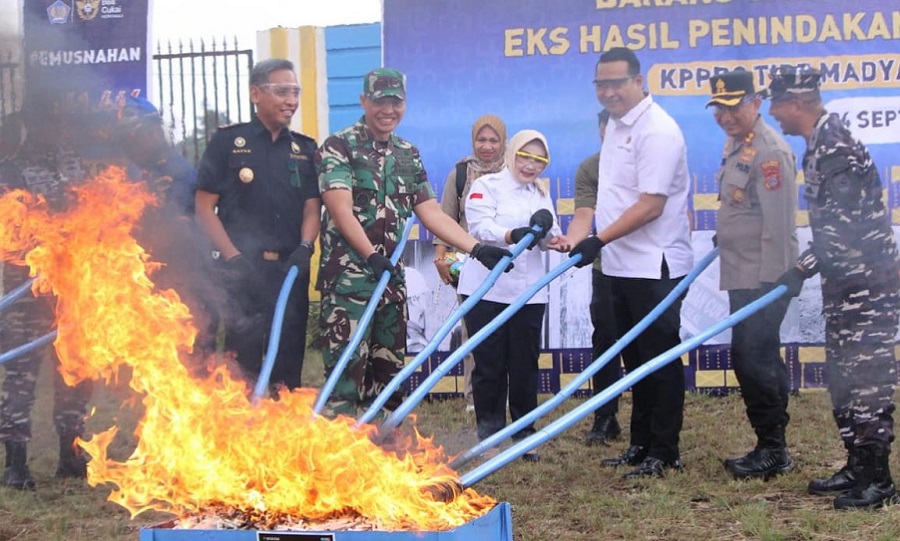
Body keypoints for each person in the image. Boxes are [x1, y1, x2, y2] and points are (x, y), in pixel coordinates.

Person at [315, 67, 512, 418]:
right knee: (347, 377)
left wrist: (476, 249)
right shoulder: (339, 145)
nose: (388, 109)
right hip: (350, 284)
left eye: (396, 101)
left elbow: (432, 212)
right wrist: (370, 256)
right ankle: (342, 459)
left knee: (388, 375)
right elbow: (339, 207)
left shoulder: (408, 153)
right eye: (380, 101)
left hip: (390, 282)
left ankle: (387, 453)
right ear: (364, 101)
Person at [767, 65, 900, 509]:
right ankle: (856, 467)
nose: (774, 114)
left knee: (866, 381)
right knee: (844, 379)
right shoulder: (819, 143)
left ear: (796, 104)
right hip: (846, 284)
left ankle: (878, 479)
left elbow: (847, 228)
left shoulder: (834, 146)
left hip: (868, 284)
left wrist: (801, 268)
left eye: (777, 105)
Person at [570, 47, 693, 479]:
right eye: (601, 84)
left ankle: (665, 449)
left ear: (639, 81)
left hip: (654, 266)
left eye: (617, 83)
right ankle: (640, 445)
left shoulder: (656, 130)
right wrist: (583, 238)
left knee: (658, 357)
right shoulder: (619, 128)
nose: (608, 91)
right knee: (635, 359)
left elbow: (652, 205)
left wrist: (597, 239)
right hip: (620, 264)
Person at [194, 58, 320, 391]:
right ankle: (241, 434)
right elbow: (204, 208)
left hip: (290, 270)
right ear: (256, 93)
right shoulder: (227, 143)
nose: (290, 101)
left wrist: (306, 247)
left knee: (288, 359)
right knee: (241, 365)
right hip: (242, 272)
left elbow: (312, 207)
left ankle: (282, 432)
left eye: (295, 92)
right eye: (281, 92)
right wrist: (234, 259)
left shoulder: (305, 149)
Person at [705, 70, 800, 480]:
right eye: (719, 109)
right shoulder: (739, 143)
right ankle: (772, 441)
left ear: (755, 103)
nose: (726, 116)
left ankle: (773, 449)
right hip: (741, 271)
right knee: (757, 356)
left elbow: (779, 226)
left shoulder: (770, 152)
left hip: (763, 278)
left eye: (734, 107)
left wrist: (776, 282)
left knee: (752, 358)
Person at [457, 129, 570, 460]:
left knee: (524, 365)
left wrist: (557, 242)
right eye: (525, 156)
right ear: (512, 154)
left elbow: (550, 233)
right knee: (489, 365)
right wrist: (511, 234)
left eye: (539, 160)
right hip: (486, 291)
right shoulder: (486, 186)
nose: (530, 166)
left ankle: (523, 435)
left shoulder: (541, 194)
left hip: (529, 293)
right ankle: (489, 437)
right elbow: (479, 228)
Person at [0, 98, 94, 489]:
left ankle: (69, 452)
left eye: (60, 123)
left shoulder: (75, 165)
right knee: (22, 374)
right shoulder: (11, 169)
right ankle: (16, 463)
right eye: (46, 123)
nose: (56, 131)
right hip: (26, 289)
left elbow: (94, 212)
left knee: (75, 370)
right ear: (29, 127)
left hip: (72, 285)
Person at [115, 96, 218, 358]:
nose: (130, 145)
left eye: (134, 137)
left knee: (192, 352)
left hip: (185, 278)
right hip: (153, 276)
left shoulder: (176, 173)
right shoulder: (138, 171)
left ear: (151, 132)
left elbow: (182, 229)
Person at [433, 114, 507, 412]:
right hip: (469, 263)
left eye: (493, 140)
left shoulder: (514, 171)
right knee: (474, 330)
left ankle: (506, 394)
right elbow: (445, 217)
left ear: (504, 142)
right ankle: (475, 397)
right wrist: (440, 257)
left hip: (508, 262)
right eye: (481, 139)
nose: (486, 146)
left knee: (507, 331)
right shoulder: (461, 173)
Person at [567, 109, 623, 446]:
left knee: (649, 346)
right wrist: (573, 242)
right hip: (607, 269)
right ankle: (605, 418)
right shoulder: (590, 168)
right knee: (605, 344)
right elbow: (584, 215)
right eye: (608, 129)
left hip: (650, 272)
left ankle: (652, 426)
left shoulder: (649, 161)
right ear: (601, 130)